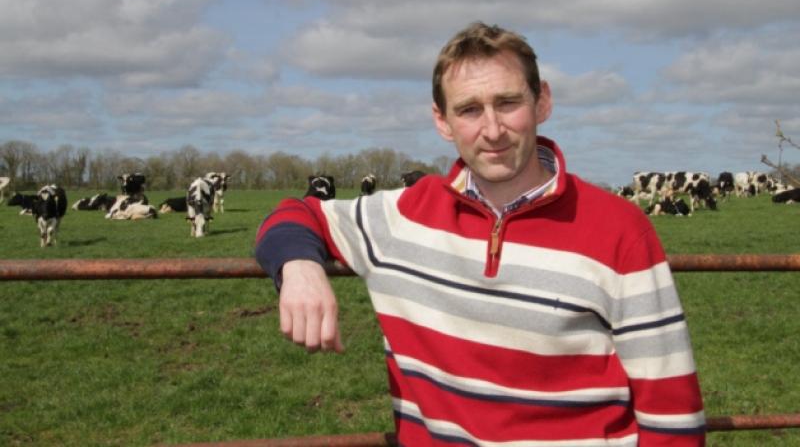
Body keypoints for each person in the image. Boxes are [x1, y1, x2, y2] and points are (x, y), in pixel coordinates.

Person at [255, 22, 705, 446]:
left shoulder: (620, 230)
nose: (492, 130)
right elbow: (296, 213)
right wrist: (299, 268)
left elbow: (672, 416)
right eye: (469, 110)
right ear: (442, 121)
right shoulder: (401, 218)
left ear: (542, 101)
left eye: (508, 102)